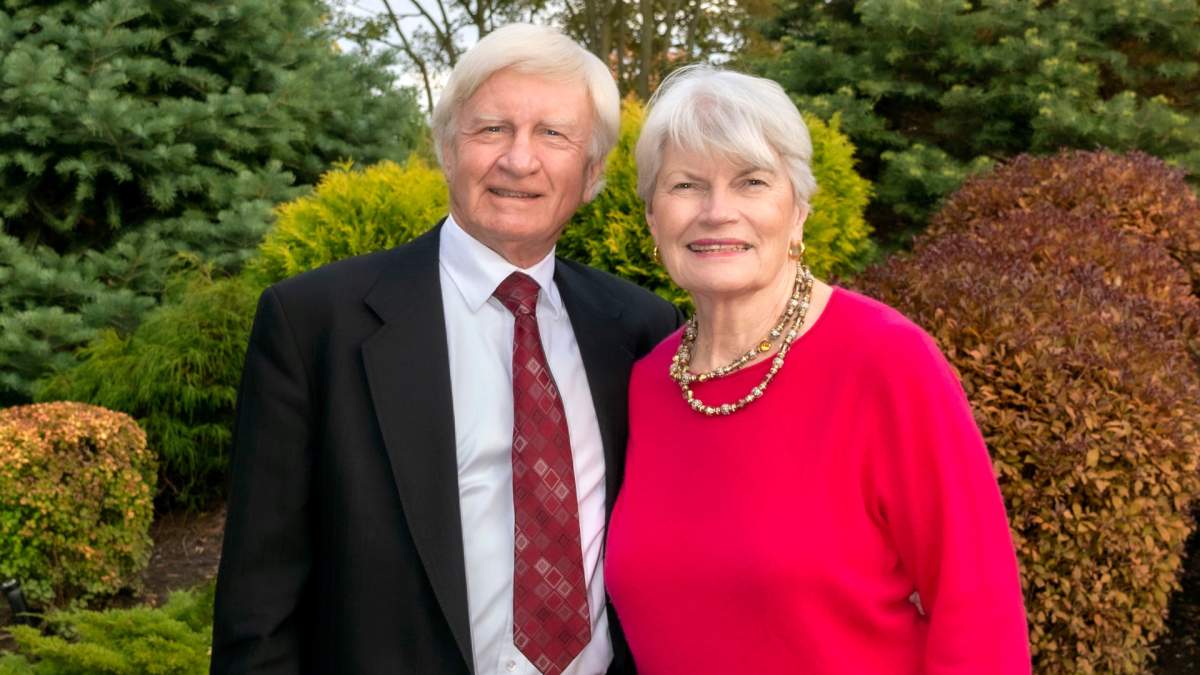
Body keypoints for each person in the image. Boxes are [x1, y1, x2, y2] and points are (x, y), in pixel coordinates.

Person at [211, 24, 680, 675]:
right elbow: (255, 612)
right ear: (447, 149)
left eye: (553, 134)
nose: (519, 160)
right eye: (491, 129)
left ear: (592, 169)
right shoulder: (316, 324)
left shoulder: (640, 329)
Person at [603, 66, 1031, 674]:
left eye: (751, 182)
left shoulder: (886, 361)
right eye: (686, 186)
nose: (717, 211)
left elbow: (978, 612)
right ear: (652, 216)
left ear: (798, 209)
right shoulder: (647, 383)